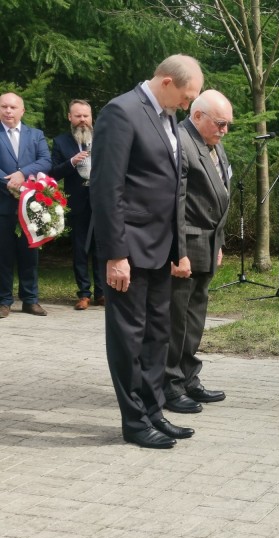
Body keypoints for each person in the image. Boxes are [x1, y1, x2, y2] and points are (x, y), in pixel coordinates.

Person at [90, 54, 204, 449]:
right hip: (130, 249)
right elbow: (107, 188)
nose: (188, 105)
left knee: (157, 335)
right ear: (167, 82)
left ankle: (154, 411)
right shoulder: (121, 112)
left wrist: (179, 248)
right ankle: (135, 422)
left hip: (160, 249)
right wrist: (114, 254)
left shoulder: (167, 116)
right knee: (129, 338)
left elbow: (174, 189)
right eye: (187, 96)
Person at [163, 90, 231, 414]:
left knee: (194, 319)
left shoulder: (212, 142)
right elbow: (174, 202)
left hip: (207, 243)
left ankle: (188, 377)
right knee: (175, 321)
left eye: (227, 124)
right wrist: (178, 252)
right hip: (186, 246)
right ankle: (169, 386)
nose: (224, 130)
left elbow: (221, 193)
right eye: (220, 123)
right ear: (198, 115)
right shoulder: (181, 141)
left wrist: (220, 241)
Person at [0, 92, 52, 319]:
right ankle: (3, 301)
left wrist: (22, 174)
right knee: (3, 255)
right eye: (4, 106)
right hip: (2, 204)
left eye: (13, 107)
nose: (8, 111)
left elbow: (45, 160)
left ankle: (30, 300)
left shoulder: (36, 135)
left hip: (31, 206)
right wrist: (9, 182)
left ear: (22, 110)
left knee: (30, 255)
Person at [51, 99, 104, 310]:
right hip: (77, 200)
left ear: (92, 117)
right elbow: (53, 173)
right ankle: (83, 294)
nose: (82, 120)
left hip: (101, 201)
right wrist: (72, 162)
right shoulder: (61, 142)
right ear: (70, 118)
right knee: (80, 248)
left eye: (86, 116)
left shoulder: (103, 138)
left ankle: (102, 293)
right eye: (78, 116)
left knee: (101, 247)